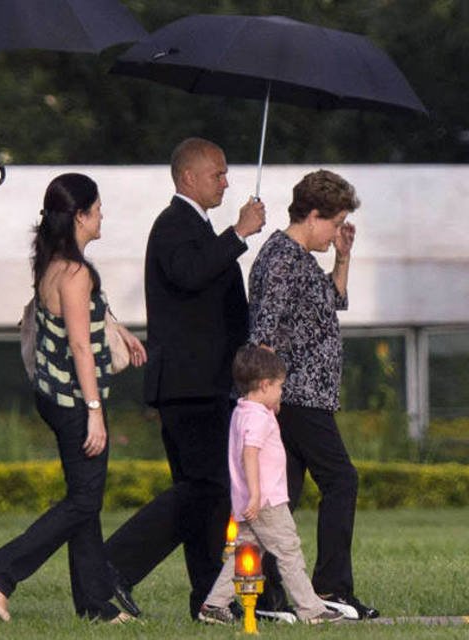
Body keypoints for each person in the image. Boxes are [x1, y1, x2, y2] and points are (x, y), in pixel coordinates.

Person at [0, 173, 147, 623]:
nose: (103, 215)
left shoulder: (54, 262)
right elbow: (81, 346)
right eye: (98, 208)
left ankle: (95, 606)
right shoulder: (74, 272)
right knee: (85, 501)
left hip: (53, 395)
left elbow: (86, 317)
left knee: (83, 498)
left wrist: (119, 326)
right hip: (74, 399)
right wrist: (94, 413)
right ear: (81, 215)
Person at [104, 137, 266, 619]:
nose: (226, 181)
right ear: (188, 177)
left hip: (208, 383)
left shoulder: (198, 228)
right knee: (205, 488)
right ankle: (111, 565)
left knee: (210, 499)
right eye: (218, 173)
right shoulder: (173, 225)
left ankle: (207, 600)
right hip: (188, 386)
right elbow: (188, 274)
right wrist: (238, 234)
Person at [248, 169, 378, 620]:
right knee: (342, 479)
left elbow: (333, 301)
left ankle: (266, 596)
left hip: (308, 396)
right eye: (336, 222)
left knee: (282, 497)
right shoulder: (283, 259)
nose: (338, 231)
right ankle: (331, 587)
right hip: (294, 397)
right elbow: (263, 332)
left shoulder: (301, 258)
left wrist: (342, 257)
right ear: (314, 215)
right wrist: (264, 402)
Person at [198, 345, 343, 625]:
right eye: (279, 386)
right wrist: (256, 495)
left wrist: (270, 406)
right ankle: (311, 610)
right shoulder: (257, 418)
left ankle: (214, 605)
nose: (281, 393)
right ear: (264, 384)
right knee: (288, 551)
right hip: (265, 501)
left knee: (244, 552)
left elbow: (251, 440)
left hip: (248, 502)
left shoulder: (244, 411)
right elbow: (249, 454)